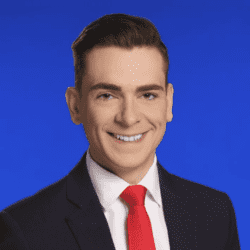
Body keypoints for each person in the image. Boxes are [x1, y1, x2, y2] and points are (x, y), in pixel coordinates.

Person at [0, 13, 240, 250]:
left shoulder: (215, 213)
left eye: (147, 95)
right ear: (75, 106)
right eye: (107, 95)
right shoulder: (24, 230)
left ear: (168, 103)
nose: (129, 118)